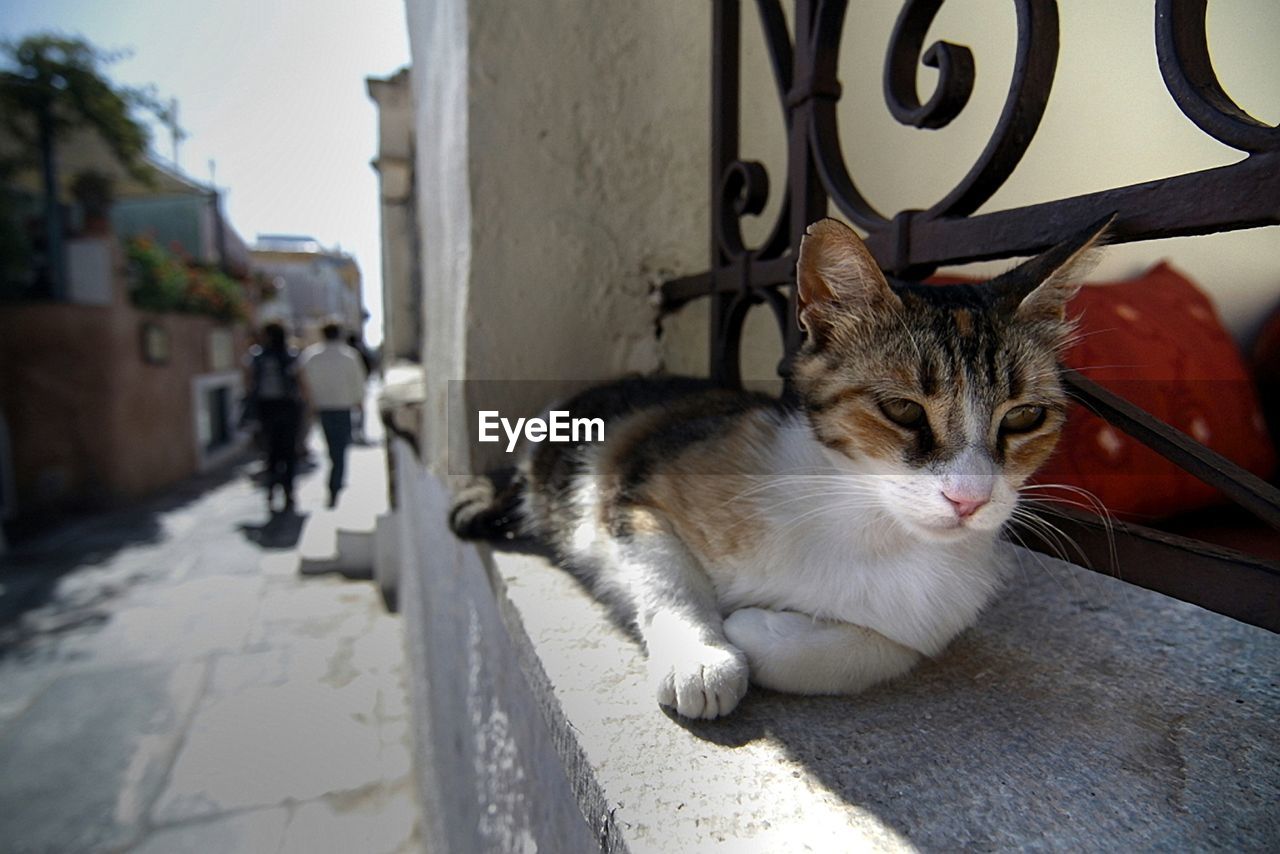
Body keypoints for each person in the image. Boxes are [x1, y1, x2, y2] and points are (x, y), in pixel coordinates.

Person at [300, 324, 368, 508]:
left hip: (324, 408)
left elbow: (304, 382)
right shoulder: (349, 355)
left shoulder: (312, 356)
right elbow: (358, 382)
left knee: (333, 448)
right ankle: (335, 484)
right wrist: (359, 402)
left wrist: (310, 404)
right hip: (342, 407)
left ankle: (335, 483)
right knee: (340, 449)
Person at [245, 323, 304, 513]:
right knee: (288, 451)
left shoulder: (257, 357)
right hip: (287, 407)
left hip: (267, 409)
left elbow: (248, 383)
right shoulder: (290, 355)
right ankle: (287, 490)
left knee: (271, 452)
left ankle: (273, 489)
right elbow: (301, 382)